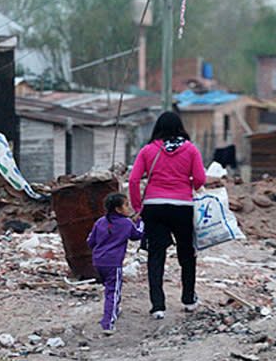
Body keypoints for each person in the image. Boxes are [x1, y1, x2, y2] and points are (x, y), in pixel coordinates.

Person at [128, 111, 206, 319]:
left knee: (156, 254)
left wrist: (138, 208)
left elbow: (134, 180)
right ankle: (188, 299)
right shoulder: (191, 150)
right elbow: (200, 178)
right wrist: (187, 186)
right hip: (182, 206)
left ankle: (158, 306)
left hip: (154, 206)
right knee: (187, 253)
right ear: (180, 127)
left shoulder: (147, 150)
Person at [87, 192, 144, 334]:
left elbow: (90, 242)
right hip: (113, 263)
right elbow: (137, 235)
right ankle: (108, 323)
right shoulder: (126, 223)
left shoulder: (100, 222)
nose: (129, 207)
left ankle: (114, 311)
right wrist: (141, 222)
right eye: (126, 205)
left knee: (110, 289)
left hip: (98, 262)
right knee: (113, 291)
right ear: (118, 209)